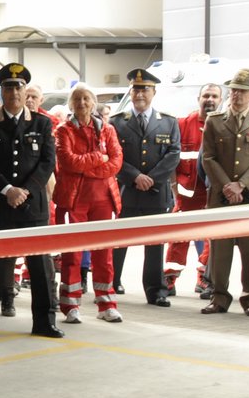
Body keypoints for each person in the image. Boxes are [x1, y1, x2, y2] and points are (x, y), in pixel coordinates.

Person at [0, 63, 62, 339]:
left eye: (19, 87)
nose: (14, 92)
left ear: (26, 91)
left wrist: (25, 191)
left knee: (41, 269)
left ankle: (45, 322)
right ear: (2, 92)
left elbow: (47, 163)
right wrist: (7, 189)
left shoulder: (43, 123)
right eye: (8, 87)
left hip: (32, 208)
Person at [201, 68, 249, 316]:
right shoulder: (214, 120)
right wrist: (227, 185)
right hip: (221, 195)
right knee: (220, 249)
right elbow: (208, 158)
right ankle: (219, 297)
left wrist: (242, 185)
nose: (236, 95)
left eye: (242, 91)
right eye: (234, 90)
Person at [53, 85, 124, 324]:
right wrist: (97, 159)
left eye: (86, 98)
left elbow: (116, 162)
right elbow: (68, 162)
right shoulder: (63, 130)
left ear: (93, 102)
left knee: (104, 254)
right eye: (77, 99)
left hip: (104, 198)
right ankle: (70, 306)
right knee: (72, 253)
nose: (82, 103)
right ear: (71, 104)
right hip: (74, 200)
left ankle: (107, 305)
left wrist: (88, 170)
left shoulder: (108, 129)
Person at [110, 68, 181, 305]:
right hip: (126, 191)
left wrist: (151, 178)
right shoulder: (116, 122)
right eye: (136, 89)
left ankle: (155, 291)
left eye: (145, 89)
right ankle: (111, 284)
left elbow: (174, 153)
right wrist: (134, 176)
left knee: (154, 244)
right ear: (130, 92)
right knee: (119, 241)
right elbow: (113, 155)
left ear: (154, 92)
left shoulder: (169, 122)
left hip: (156, 192)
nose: (140, 94)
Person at [164, 84, 221, 300]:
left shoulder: (222, 125)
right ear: (198, 98)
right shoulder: (182, 124)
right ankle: (170, 277)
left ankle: (203, 278)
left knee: (211, 237)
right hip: (186, 193)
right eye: (206, 95)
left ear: (220, 100)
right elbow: (172, 159)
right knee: (179, 236)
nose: (210, 99)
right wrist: (173, 188)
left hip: (212, 193)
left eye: (214, 96)